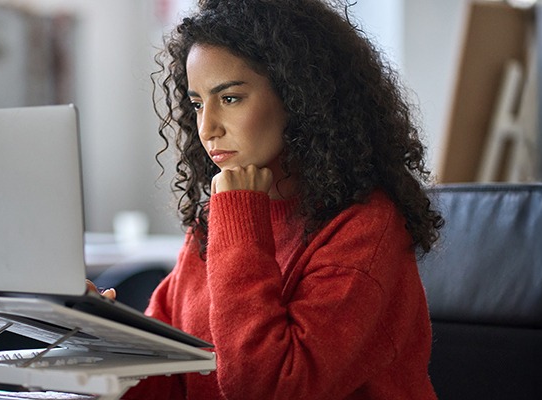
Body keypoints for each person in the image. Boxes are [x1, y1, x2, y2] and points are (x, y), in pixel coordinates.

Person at [120, 0, 443, 398]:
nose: (207, 128)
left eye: (231, 98)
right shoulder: (215, 222)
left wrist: (239, 219)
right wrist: (93, 336)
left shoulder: (366, 228)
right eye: (198, 104)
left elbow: (270, 387)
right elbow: (168, 374)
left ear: (299, 95)